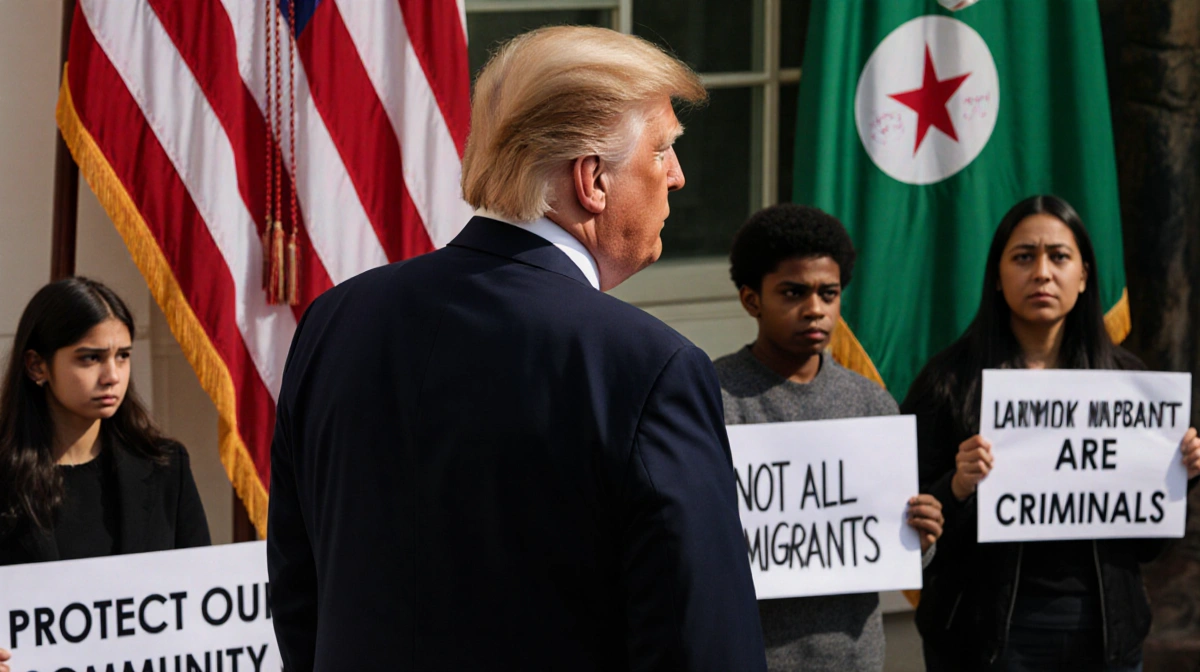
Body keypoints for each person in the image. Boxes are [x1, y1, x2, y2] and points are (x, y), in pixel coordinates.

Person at [267, 25, 767, 672]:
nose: (677, 176)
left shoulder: (334, 321)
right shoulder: (649, 368)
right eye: (664, 149)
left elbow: (298, 596)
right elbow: (703, 646)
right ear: (592, 180)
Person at [902, 195, 1200, 671]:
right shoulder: (948, 384)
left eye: (1059, 256)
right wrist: (956, 487)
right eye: (1024, 257)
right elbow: (911, 536)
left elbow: (1148, 549)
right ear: (997, 277)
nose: (1042, 272)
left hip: (1105, 641)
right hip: (983, 643)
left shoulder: (1132, 386)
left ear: (1084, 276)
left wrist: (1177, 477)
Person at [715, 204, 944, 671]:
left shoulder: (871, 404)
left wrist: (921, 535)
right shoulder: (712, 398)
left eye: (829, 293)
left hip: (853, 658)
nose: (815, 308)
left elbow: (899, 554)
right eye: (794, 293)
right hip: (745, 656)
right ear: (751, 299)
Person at [0, 278, 211, 668]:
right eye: (90, 358)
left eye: (123, 356)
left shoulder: (166, 467)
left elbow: (202, 600)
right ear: (36, 366)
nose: (112, 374)